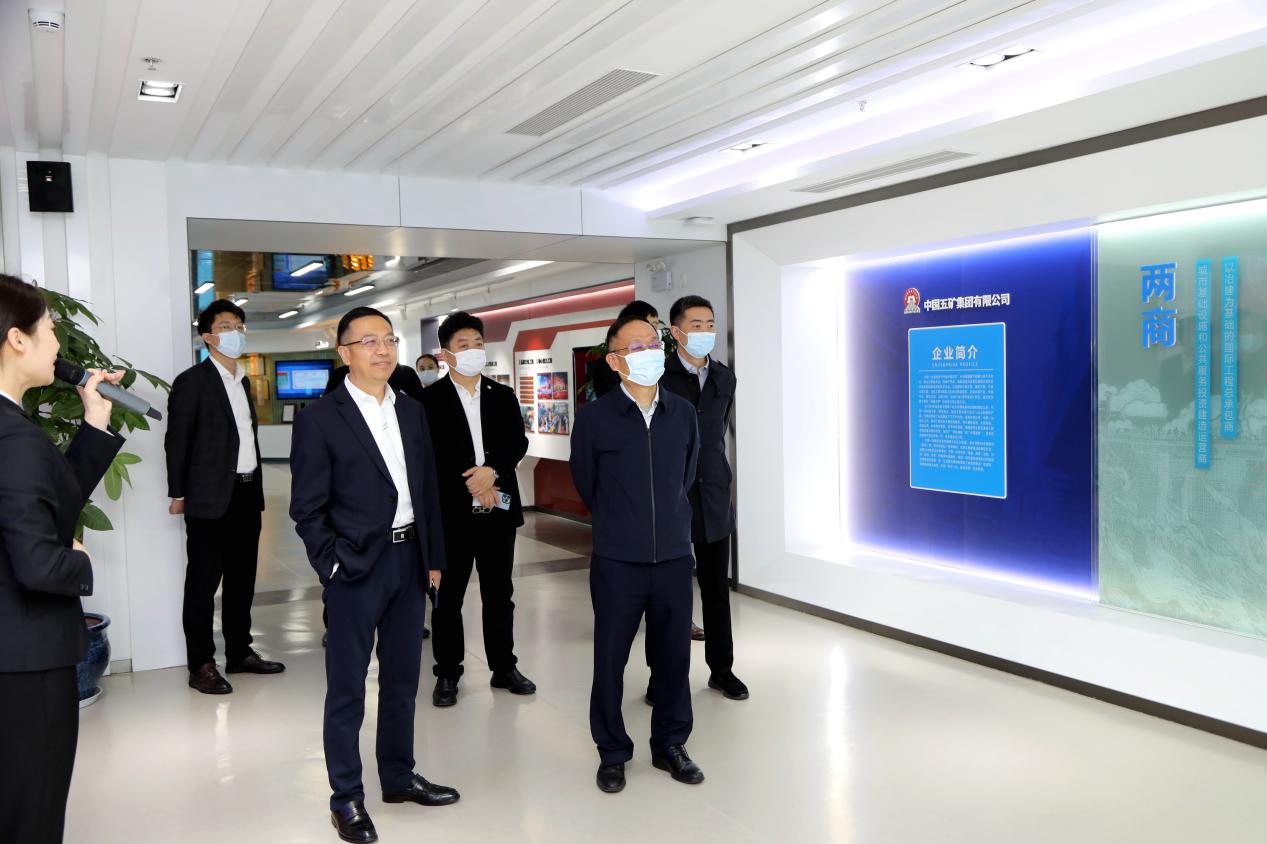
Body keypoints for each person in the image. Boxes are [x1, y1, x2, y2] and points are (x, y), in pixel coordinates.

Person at [290, 306, 456, 844]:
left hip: (410, 561)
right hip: (356, 567)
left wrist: (433, 559)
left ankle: (398, 776)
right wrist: (332, 563)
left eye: (388, 339)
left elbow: (426, 490)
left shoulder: (413, 410)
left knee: (403, 680)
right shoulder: (321, 418)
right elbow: (306, 507)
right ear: (344, 353)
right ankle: (346, 797)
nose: (383, 350)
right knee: (347, 687)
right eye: (368, 341)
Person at [0, 273, 125, 843]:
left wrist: (94, 422)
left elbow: (46, 501)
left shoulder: (13, 429)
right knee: (33, 812)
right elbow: (39, 564)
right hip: (25, 662)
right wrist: (79, 558)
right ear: (17, 339)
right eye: (49, 329)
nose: (56, 343)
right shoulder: (13, 437)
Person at [570, 314, 703, 794]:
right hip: (617, 561)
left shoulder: (682, 413)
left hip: (673, 558)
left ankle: (670, 744)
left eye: (653, 343)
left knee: (673, 658)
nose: (649, 353)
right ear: (614, 361)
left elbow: (686, 477)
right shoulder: (595, 419)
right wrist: (621, 524)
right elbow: (587, 484)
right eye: (636, 347)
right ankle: (612, 751)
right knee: (610, 660)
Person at [165, 299, 284, 695]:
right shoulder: (192, 381)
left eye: (239, 326)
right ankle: (201, 664)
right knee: (203, 583)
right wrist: (178, 492)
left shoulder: (243, 381)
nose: (236, 333)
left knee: (242, 580)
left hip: (247, 492)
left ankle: (239, 652)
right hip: (209, 496)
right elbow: (177, 441)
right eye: (227, 326)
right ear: (208, 336)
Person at [420, 312, 534, 707]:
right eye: (463, 344)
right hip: (451, 516)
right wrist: (473, 481)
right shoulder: (427, 401)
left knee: (499, 594)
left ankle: (504, 667)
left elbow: (517, 441)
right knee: (447, 598)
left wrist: (492, 473)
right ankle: (447, 672)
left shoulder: (502, 394)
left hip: (498, 511)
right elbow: (429, 455)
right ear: (446, 353)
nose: (473, 350)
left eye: (477, 343)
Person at [660, 295, 748, 700]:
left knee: (716, 590)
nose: (705, 331)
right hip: (671, 495)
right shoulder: (659, 376)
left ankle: (722, 670)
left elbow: (718, 434)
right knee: (668, 594)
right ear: (677, 332)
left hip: (713, 494)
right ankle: (662, 676)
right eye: (696, 325)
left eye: (710, 323)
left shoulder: (724, 378)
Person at [591, 300, 661, 399]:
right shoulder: (607, 364)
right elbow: (608, 400)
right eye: (652, 325)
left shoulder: (657, 359)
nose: (655, 331)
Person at [327, 361, 426, 403]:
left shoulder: (405, 373)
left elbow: (421, 405)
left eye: (390, 340)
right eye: (370, 341)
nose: (382, 349)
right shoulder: (340, 375)